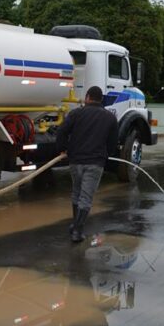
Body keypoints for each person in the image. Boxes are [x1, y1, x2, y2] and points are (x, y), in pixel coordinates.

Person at [56, 86, 118, 242]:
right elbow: (113, 144)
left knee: (77, 193)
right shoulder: (110, 118)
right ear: (101, 99)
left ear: (88, 97)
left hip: (75, 161)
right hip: (95, 163)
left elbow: (61, 131)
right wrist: (107, 154)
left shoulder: (76, 113)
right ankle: (77, 230)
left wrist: (63, 149)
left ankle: (75, 224)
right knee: (86, 197)